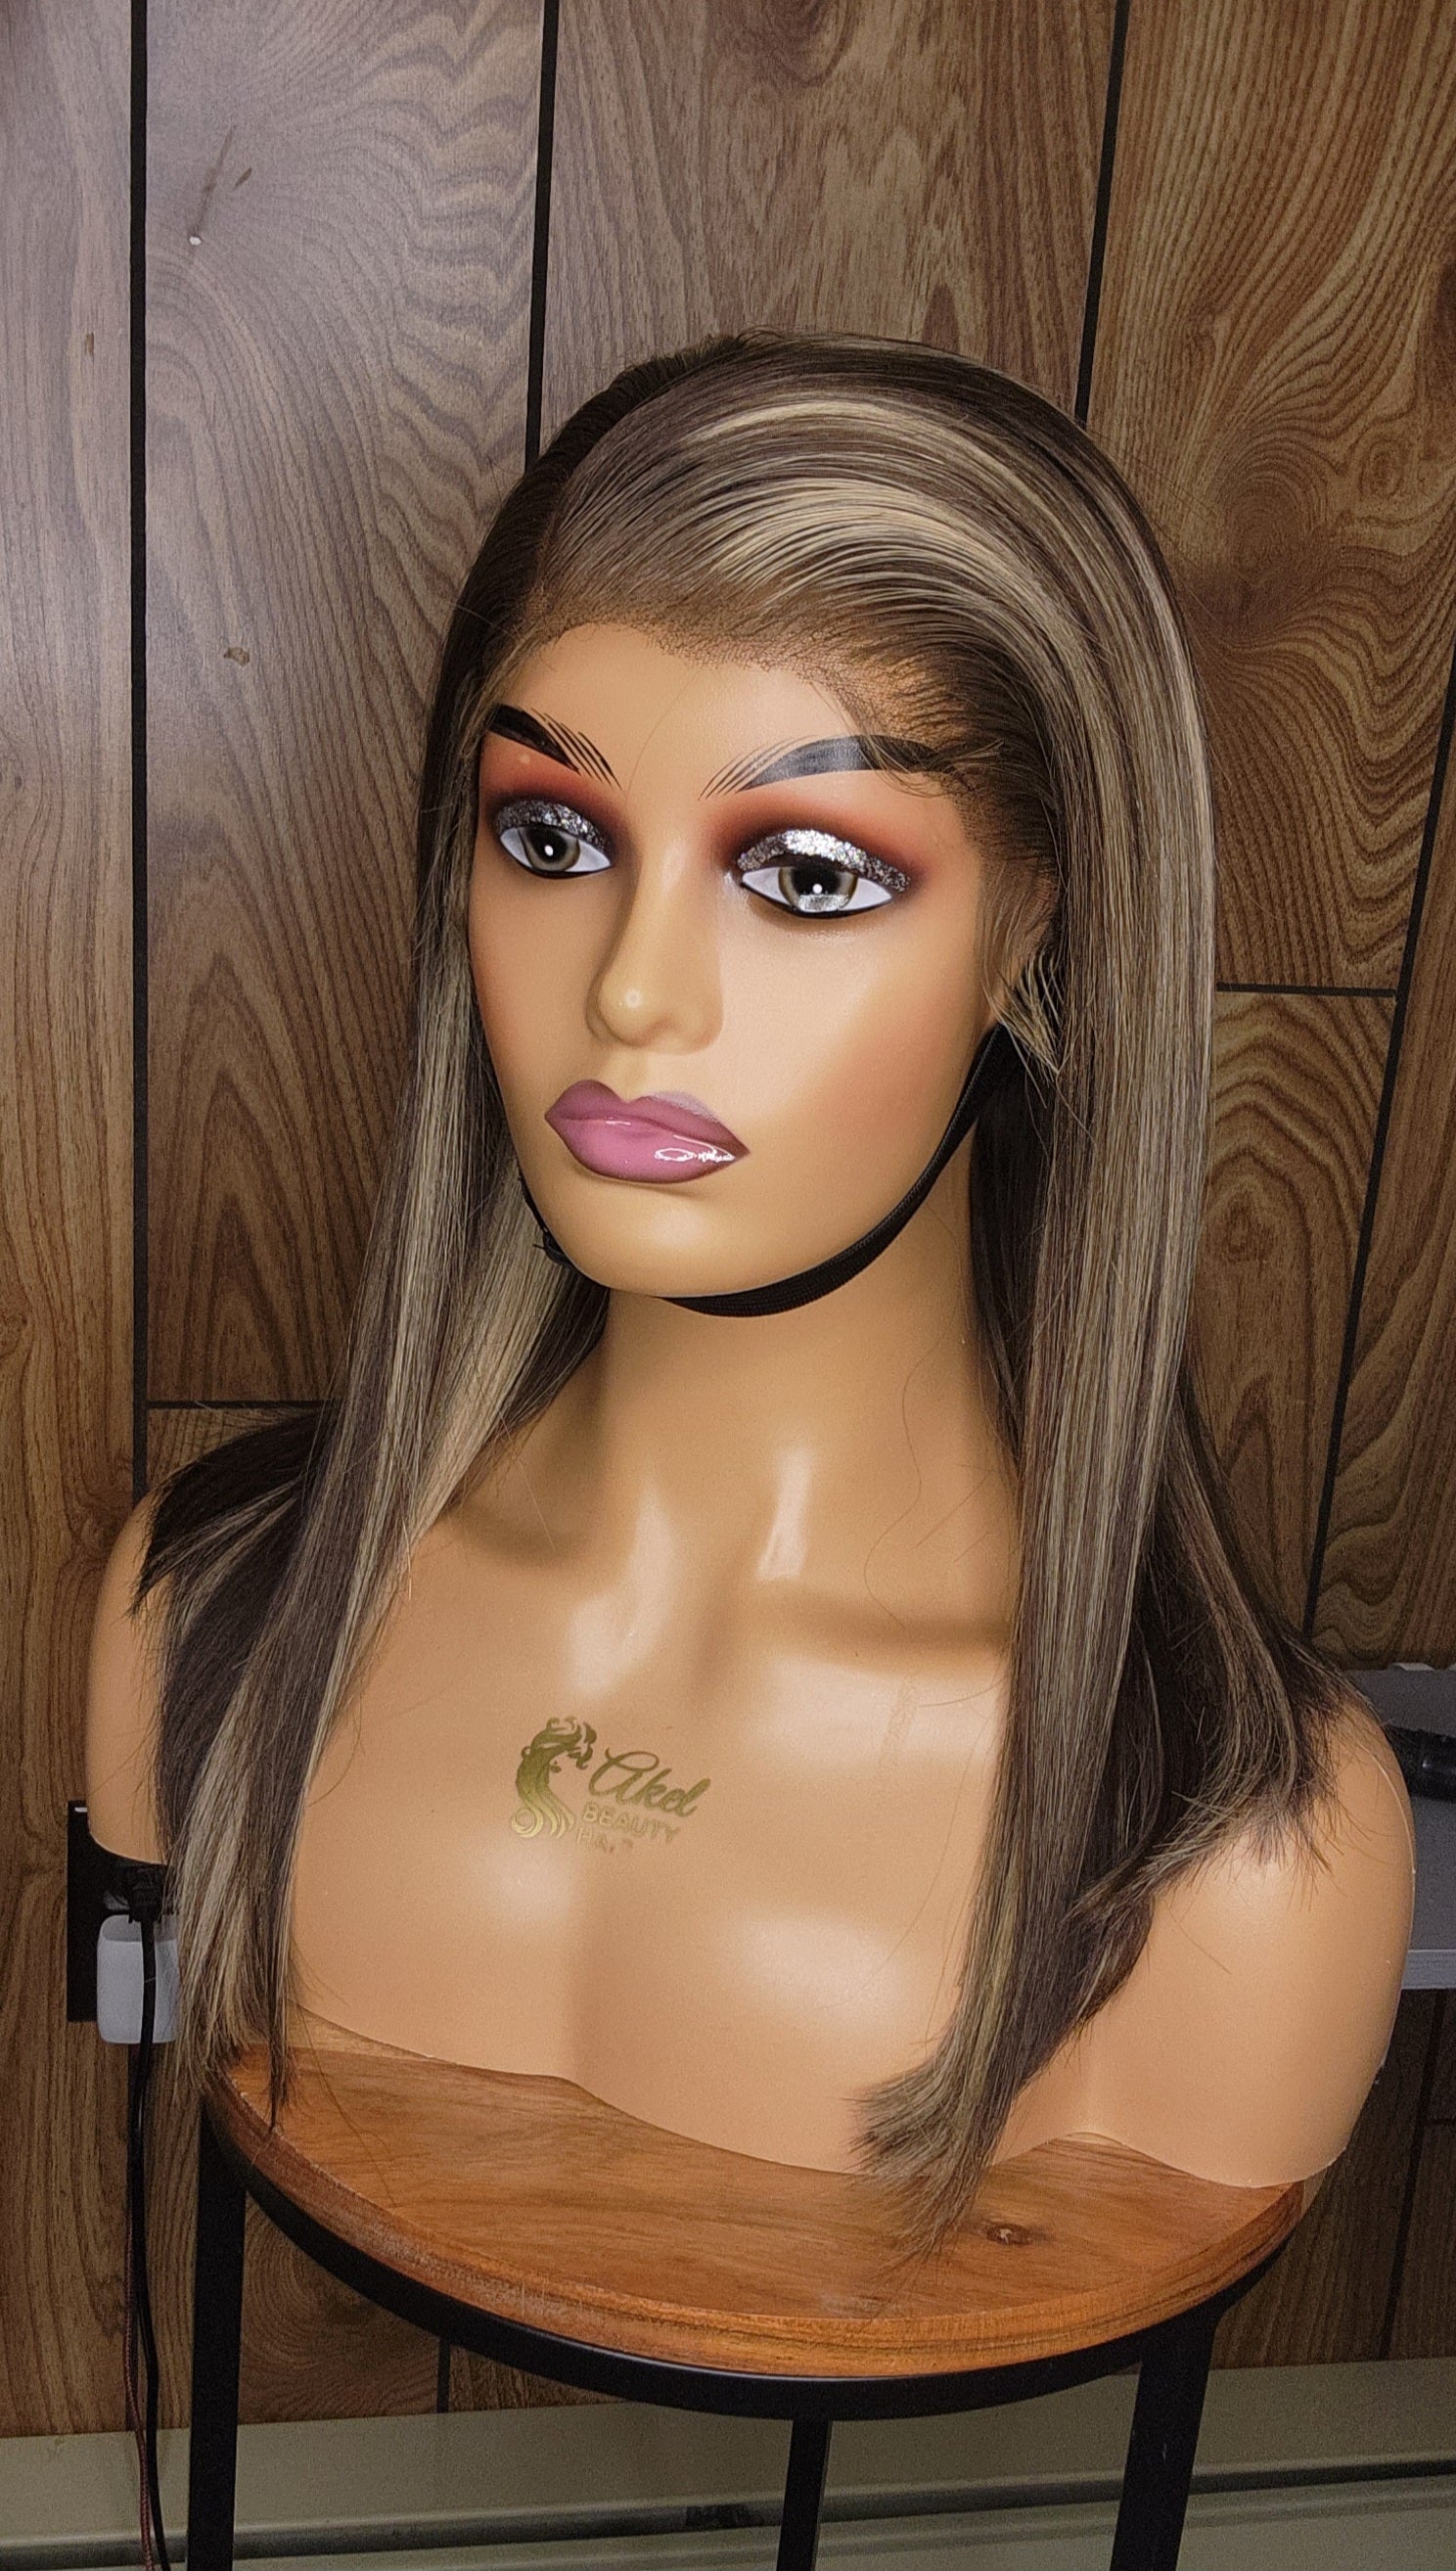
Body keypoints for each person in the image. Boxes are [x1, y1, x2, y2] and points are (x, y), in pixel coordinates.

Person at [87, 332, 1414, 2247]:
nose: (633, 992)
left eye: (802, 874)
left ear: (1040, 934)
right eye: (553, 837)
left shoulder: (1249, 1857)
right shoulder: (208, 1609)